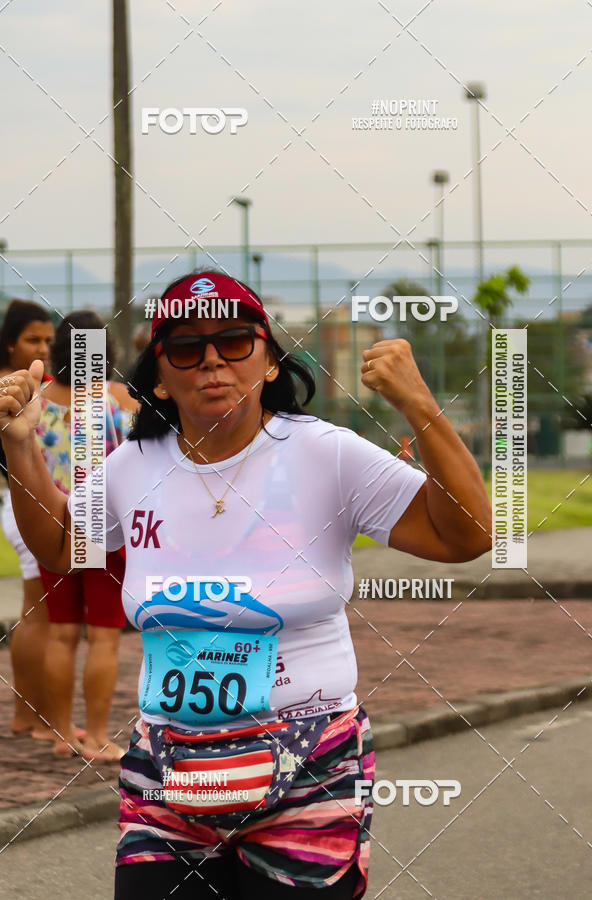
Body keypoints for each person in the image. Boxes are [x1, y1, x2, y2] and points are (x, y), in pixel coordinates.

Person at [0, 272, 491, 899]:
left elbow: (468, 535)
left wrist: (420, 406)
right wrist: (21, 448)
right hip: (168, 768)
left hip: (308, 766)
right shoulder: (132, 467)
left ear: (268, 363)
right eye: (186, 348)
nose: (211, 361)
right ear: (157, 378)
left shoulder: (325, 453)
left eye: (234, 341)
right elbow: (65, 548)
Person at [33, 310, 138, 760]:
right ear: (104, 351)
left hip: (49, 526)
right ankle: (96, 736)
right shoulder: (114, 401)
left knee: (61, 632)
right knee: (104, 635)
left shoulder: (35, 400)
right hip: (102, 527)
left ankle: (61, 734)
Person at [0, 298, 55, 739]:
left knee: (35, 611)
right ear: (9, 343)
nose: (42, 348)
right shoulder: (11, 390)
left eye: (49, 340)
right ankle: (34, 719)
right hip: (21, 505)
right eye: (32, 339)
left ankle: (27, 715)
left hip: (30, 502)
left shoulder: (36, 386)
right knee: (40, 614)